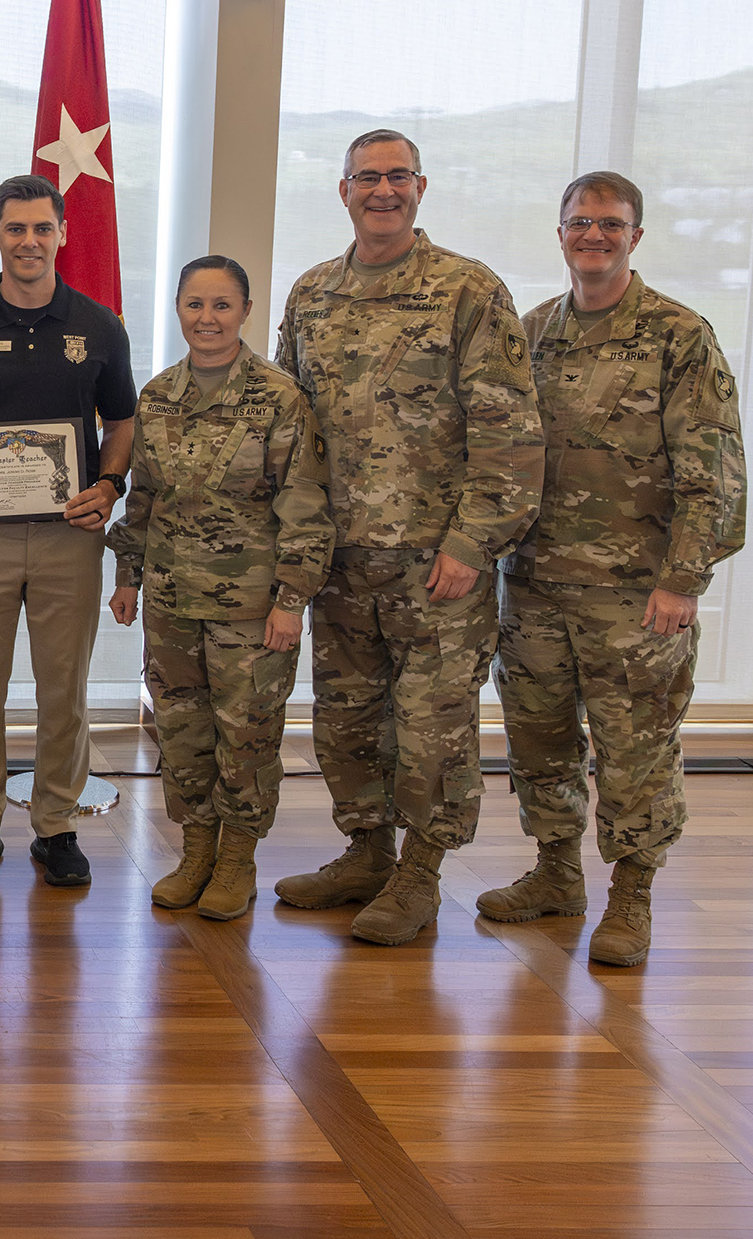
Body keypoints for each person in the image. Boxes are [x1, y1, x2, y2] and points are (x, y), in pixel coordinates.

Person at [271, 129, 543, 945]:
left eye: (398, 177)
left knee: (433, 727)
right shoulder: (312, 294)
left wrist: (472, 543)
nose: (382, 190)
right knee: (349, 719)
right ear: (343, 190)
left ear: (420, 187)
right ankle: (365, 850)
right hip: (342, 561)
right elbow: (292, 427)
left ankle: (421, 871)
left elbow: (510, 431)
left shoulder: (468, 290)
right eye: (367, 178)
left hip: (436, 563)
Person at [483, 172, 745, 966]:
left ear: (636, 235)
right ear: (559, 232)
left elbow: (717, 474)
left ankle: (632, 895)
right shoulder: (530, 335)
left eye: (609, 223)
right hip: (533, 586)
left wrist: (683, 579)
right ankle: (557, 873)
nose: (592, 236)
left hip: (636, 594)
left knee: (635, 751)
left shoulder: (678, 335)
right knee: (539, 740)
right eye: (578, 223)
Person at [0, 173, 135, 889]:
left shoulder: (98, 327)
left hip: (71, 534)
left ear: (62, 233)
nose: (30, 241)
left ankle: (56, 826)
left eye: (43, 228)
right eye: (16, 228)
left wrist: (109, 484)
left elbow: (123, 420)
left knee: (62, 688)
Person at [108, 256, 332, 919]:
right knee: (182, 732)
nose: (207, 318)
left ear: (245, 311)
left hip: (252, 608)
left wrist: (292, 600)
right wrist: (127, 574)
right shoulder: (157, 396)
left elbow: (304, 504)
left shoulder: (279, 397)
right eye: (195, 304)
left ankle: (238, 859)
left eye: (222, 305)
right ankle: (196, 850)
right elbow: (143, 495)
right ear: (178, 308)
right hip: (172, 600)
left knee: (247, 735)